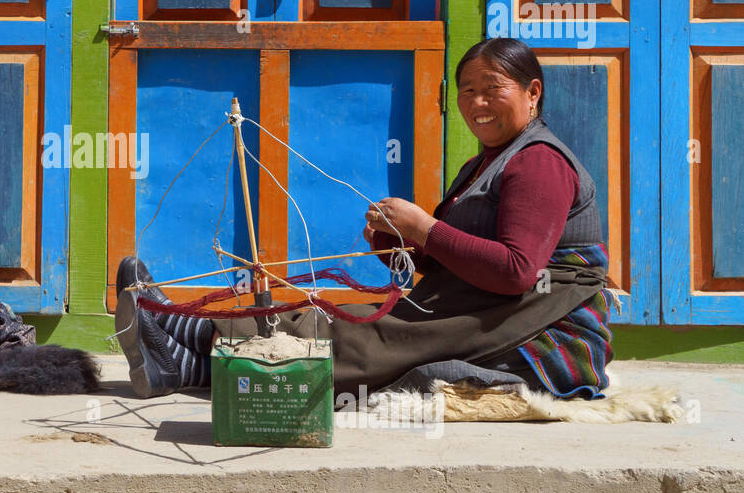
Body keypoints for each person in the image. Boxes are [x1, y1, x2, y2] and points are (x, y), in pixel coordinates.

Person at [116, 37, 613, 401]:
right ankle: (180, 359)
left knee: (356, 336)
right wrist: (403, 247)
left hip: (537, 321)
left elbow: (517, 272)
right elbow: (471, 262)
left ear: (532, 92)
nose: (476, 103)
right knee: (339, 319)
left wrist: (425, 228)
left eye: (492, 88)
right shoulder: (487, 162)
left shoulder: (538, 162)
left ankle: (181, 333)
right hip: (492, 308)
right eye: (466, 91)